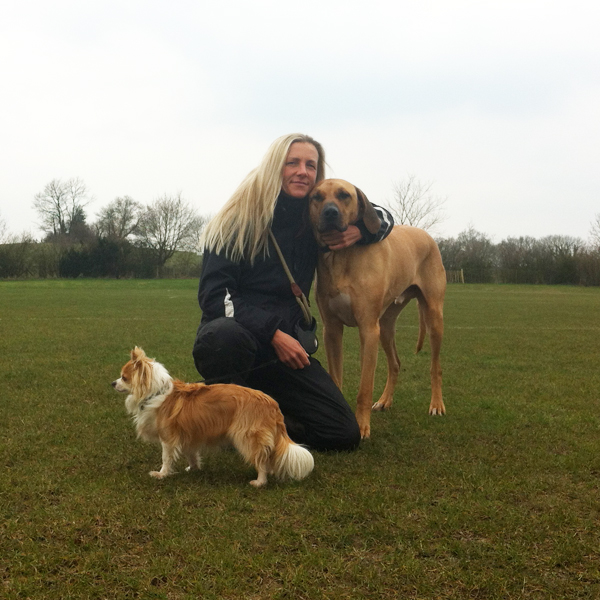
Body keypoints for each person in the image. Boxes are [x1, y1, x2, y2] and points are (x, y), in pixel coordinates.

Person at [192, 134, 393, 451]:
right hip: (239, 341)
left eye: (311, 165)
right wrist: (273, 333)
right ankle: (230, 411)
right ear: (275, 166)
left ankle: (264, 421)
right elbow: (215, 297)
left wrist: (360, 232)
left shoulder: (311, 218)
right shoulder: (235, 221)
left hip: (286, 353)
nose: (302, 171)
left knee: (343, 433)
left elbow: (378, 215)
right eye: (292, 163)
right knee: (224, 337)